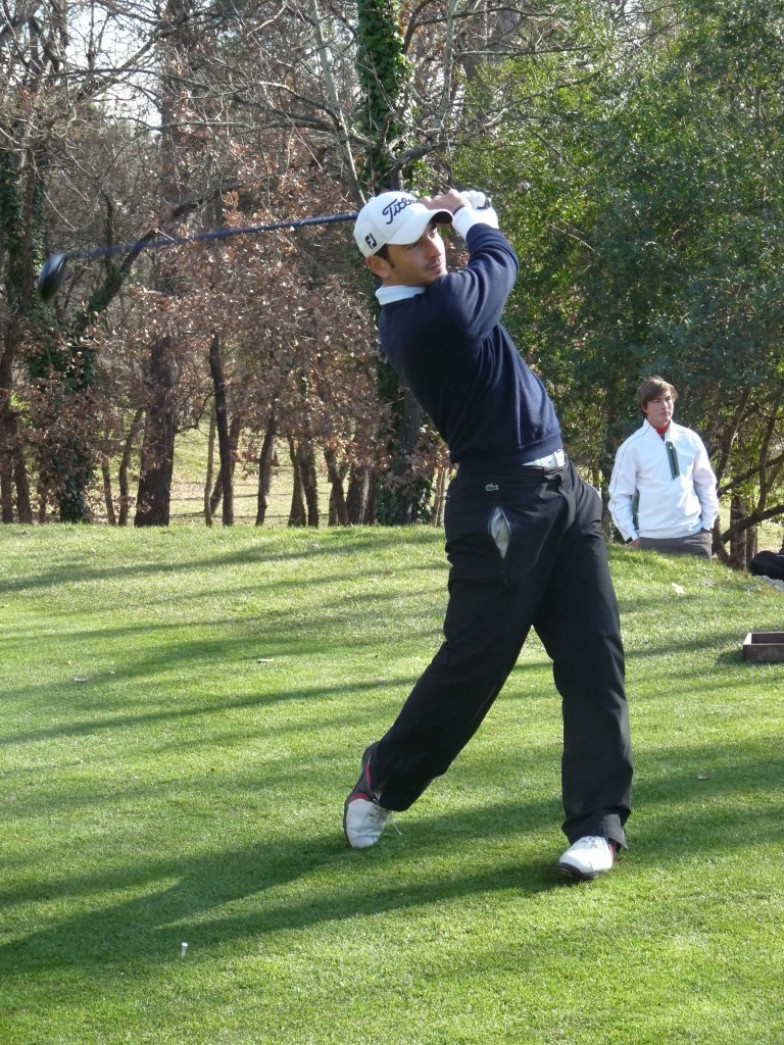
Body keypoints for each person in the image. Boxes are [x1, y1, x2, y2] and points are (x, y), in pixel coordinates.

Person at [343, 187, 633, 881]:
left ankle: (597, 825)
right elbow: (500, 260)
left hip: (567, 493)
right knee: (476, 663)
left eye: (436, 231)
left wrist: (450, 209)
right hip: (502, 506)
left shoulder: (434, 290)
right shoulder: (431, 316)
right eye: (414, 242)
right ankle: (383, 778)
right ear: (380, 268)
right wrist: (476, 217)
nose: (434, 246)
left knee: (596, 657)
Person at [608, 377, 719, 558]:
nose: (665, 406)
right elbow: (619, 496)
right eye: (657, 401)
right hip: (652, 542)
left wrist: (707, 527)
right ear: (645, 407)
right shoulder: (632, 447)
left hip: (694, 539)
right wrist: (631, 538)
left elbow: (706, 484)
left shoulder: (689, 439)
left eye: (668, 399)